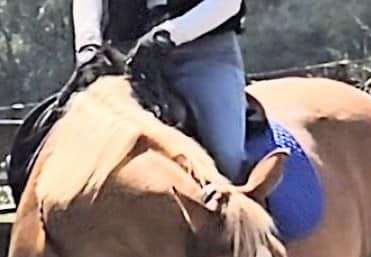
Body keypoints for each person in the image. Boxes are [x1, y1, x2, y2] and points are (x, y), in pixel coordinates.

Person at [72, 0, 248, 182]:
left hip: (204, 53)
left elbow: (228, 3)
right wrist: (88, 50)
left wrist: (168, 35)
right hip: (124, 55)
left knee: (228, 156)